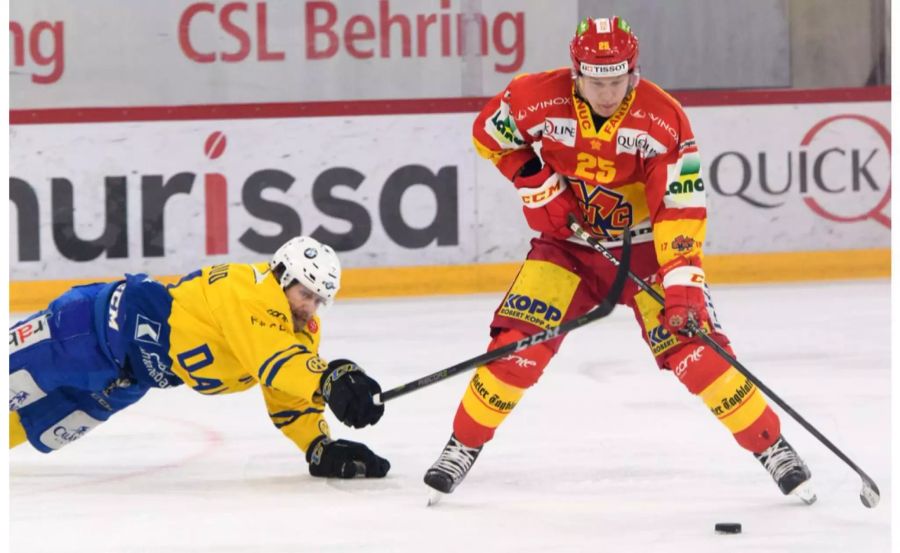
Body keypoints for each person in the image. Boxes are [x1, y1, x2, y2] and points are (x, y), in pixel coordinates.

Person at [424, 16, 814, 503]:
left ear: (633, 72)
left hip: (648, 253)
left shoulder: (663, 117)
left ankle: (770, 446)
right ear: (575, 73)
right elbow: (489, 134)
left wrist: (683, 287)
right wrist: (533, 179)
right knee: (516, 349)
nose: (607, 93)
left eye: (616, 81)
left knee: (699, 356)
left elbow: (680, 207)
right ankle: (462, 445)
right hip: (567, 250)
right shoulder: (534, 96)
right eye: (595, 82)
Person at [10, 236, 390, 479]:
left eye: (319, 300)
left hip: (125, 381)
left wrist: (317, 445)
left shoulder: (297, 331)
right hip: (85, 330)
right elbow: (276, 362)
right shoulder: (248, 291)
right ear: (281, 274)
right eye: (304, 294)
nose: (310, 308)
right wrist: (328, 379)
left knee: (30, 427)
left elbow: (287, 392)